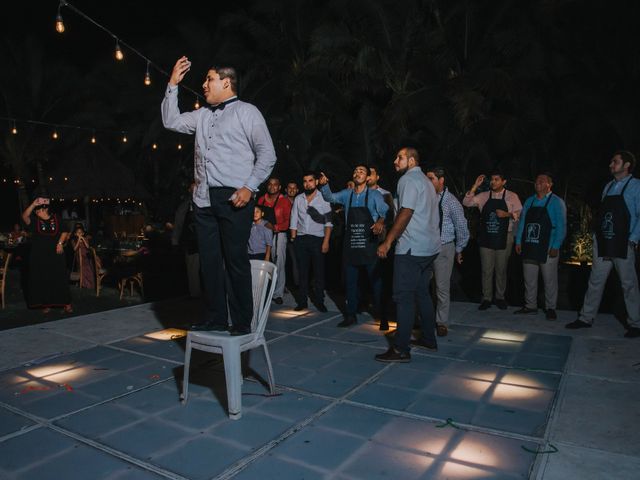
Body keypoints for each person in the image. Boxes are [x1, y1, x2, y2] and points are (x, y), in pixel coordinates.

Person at [162, 56, 276, 335]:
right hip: (203, 198)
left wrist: (249, 187)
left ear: (226, 82)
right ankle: (214, 316)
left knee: (236, 261)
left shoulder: (248, 112)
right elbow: (170, 121)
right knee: (209, 263)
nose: (203, 84)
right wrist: (172, 84)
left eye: (208, 79)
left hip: (235, 197)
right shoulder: (201, 115)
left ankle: (241, 321)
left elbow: (268, 154)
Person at [375, 147, 441, 362]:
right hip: (429, 248)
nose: (395, 161)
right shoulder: (426, 182)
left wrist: (388, 241)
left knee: (403, 297)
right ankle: (429, 339)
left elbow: (406, 212)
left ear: (411, 161)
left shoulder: (407, 180)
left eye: (400, 157)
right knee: (422, 293)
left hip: (412, 249)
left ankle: (401, 349)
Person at [567, 151, 640, 338]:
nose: (611, 164)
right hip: (604, 241)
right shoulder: (608, 186)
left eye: (615, 162)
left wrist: (633, 239)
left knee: (628, 284)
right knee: (595, 281)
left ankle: (635, 323)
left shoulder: (636, 186)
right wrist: (595, 236)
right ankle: (586, 318)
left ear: (627, 165)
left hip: (623, 243)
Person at [318, 165, 388, 328]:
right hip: (351, 243)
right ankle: (350, 316)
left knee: (376, 282)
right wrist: (324, 185)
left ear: (368, 177)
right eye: (355, 171)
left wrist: (379, 221)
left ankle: (383, 316)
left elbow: (384, 211)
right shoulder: (347, 194)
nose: (357, 173)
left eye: (362, 171)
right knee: (350, 282)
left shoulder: (374, 194)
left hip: (369, 243)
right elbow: (329, 198)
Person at [463, 171, 522, 310]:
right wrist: (475, 186)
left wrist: (507, 214)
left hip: (504, 236)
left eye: (496, 179)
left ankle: (500, 297)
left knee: (501, 269)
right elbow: (466, 202)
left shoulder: (512, 196)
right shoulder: (484, 196)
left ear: (504, 181)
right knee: (486, 269)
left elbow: (519, 215)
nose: (493, 182)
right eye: (492, 180)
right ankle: (487, 298)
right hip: (487, 236)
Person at [514, 173, 567, 319]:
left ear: (549, 184)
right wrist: (518, 241)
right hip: (530, 244)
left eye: (542, 181)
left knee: (549, 279)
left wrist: (556, 245)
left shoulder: (556, 202)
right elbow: (522, 223)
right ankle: (530, 305)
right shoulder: (529, 201)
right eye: (537, 180)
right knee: (529, 278)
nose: (538, 182)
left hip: (548, 247)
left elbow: (562, 226)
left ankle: (550, 308)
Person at [425, 167, 470, 336]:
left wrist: (459, 249)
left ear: (441, 180)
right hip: (426, 247)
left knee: (441, 287)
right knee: (422, 284)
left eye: (431, 179)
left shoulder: (451, 201)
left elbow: (462, 227)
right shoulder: (426, 198)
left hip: (444, 247)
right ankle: (425, 318)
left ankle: (441, 322)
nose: (428, 182)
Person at [289, 172, 333, 312]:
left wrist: (326, 242)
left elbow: (329, 222)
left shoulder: (323, 198)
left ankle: (320, 301)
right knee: (303, 272)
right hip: (301, 239)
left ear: (316, 182)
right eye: (305, 181)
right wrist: (294, 238)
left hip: (318, 239)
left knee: (319, 273)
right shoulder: (298, 199)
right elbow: (293, 219)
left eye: (310, 180)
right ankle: (302, 302)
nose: (307, 183)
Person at [21, 195, 72, 313]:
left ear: (45, 210)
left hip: (55, 254)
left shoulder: (56, 218)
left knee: (59, 278)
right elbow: (24, 216)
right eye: (36, 209)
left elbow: (64, 231)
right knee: (43, 278)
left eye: (38, 209)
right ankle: (46, 304)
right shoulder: (35, 221)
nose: (36, 211)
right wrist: (33, 204)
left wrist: (60, 243)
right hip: (39, 256)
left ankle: (67, 303)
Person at [257, 177, 291, 304]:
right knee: (264, 262)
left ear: (279, 187)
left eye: (275, 184)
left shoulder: (284, 201)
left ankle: (277, 293)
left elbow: (288, 221)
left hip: (279, 235)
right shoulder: (261, 199)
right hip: (262, 235)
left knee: (279, 263)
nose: (272, 187)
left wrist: (275, 227)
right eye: (270, 184)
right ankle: (263, 290)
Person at [172, 182, 201, 298]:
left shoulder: (207, 204)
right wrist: (174, 241)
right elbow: (178, 224)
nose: (195, 191)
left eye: (197, 188)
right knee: (193, 271)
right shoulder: (185, 206)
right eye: (192, 188)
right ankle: (195, 295)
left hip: (206, 242)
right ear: (189, 190)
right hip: (191, 242)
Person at [71, 223, 96, 289]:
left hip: (86, 257)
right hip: (79, 257)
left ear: (83, 233)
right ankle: (84, 284)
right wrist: (78, 241)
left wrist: (84, 240)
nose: (79, 234)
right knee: (83, 270)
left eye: (81, 233)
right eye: (78, 233)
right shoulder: (73, 240)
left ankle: (91, 285)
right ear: (75, 234)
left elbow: (87, 247)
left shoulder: (85, 239)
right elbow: (75, 249)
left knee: (89, 270)